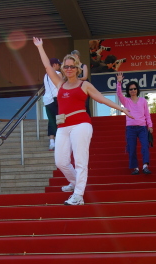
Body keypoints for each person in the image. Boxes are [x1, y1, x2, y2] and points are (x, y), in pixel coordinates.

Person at [33, 37, 134, 205]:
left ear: (77, 68)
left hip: (81, 124)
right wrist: (40, 47)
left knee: (80, 161)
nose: (69, 69)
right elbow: (47, 67)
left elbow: (101, 99)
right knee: (60, 161)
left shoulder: (84, 85)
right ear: (63, 69)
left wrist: (121, 108)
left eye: (72, 66)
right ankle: (74, 183)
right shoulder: (59, 84)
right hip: (63, 126)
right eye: (66, 66)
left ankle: (78, 195)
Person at [116, 72, 153, 175]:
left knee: (145, 146)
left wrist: (150, 126)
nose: (133, 90)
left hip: (142, 127)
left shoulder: (143, 101)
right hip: (131, 128)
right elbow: (119, 94)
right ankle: (135, 167)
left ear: (137, 90)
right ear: (128, 91)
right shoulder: (126, 101)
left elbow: (147, 114)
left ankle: (145, 166)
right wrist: (119, 82)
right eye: (131, 89)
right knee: (131, 147)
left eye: (134, 88)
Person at [43, 58, 62, 150]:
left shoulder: (45, 76)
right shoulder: (58, 74)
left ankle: (52, 142)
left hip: (47, 100)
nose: (59, 66)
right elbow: (62, 86)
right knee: (60, 119)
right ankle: (60, 141)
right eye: (58, 65)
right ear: (54, 65)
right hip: (57, 99)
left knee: (51, 120)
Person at [71, 50, 91, 116]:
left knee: (86, 103)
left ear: (77, 56)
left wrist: (77, 79)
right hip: (76, 87)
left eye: (74, 56)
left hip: (83, 86)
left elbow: (85, 77)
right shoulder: (73, 67)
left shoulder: (83, 66)